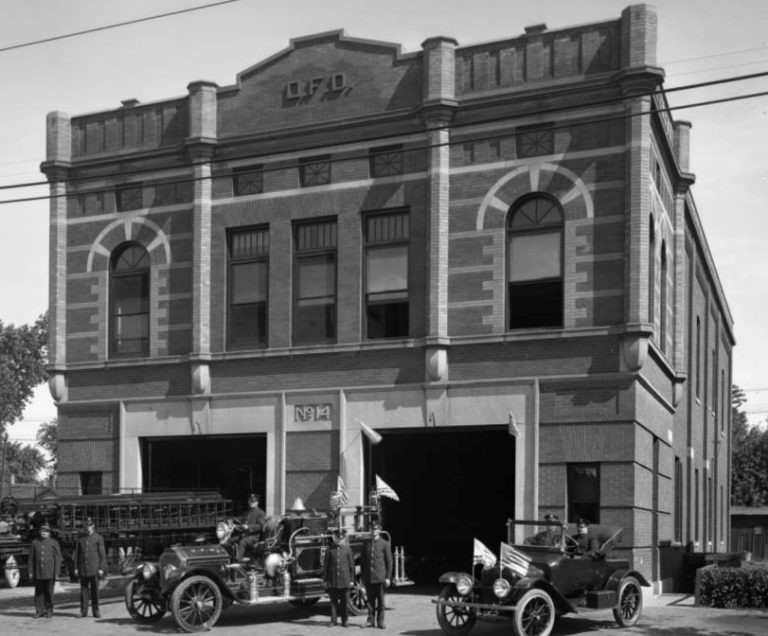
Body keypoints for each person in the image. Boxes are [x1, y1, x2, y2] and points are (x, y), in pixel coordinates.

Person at [361, 521, 393, 630]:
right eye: (372, 529)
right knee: (370, 601)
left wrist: (388, 577)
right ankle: (370, 621)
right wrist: (362, 578)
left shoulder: (384, 544)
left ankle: (380, 621)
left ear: (379, 530)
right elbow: (363, 562)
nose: (374, 530)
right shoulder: (366, 544)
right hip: (369, 577)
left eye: (375, 528)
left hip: (380, 577)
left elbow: (389, 562)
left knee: (380, 602)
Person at [73, 516, 107, 618]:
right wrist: (76, 568)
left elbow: (102, 555)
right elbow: (77, 555)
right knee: (83, 591)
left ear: (93, 526)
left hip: (94, 569)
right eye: (87, 525)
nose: (88, 527)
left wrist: (101, 568)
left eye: (90, 525)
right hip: (83, 569)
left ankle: (96, 611)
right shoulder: (80, 539)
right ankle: (83, 611)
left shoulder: (98, 538)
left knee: (95, 591)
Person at [322, 528, 355, 627]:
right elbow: (326, 566)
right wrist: (325, 580)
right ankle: (333, 620)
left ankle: (345, 621)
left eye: (341, 539)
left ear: (343, 539)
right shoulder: (329, 550)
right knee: (333, 602)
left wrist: (352, 580)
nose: (339, 540)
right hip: (333, 580)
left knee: (345, 602)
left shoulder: (348, 550)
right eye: (337, 538)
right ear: (334, 538)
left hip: (345, 580)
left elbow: (351, 566)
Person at [30, 523, 62, 619]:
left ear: (49, 533)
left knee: (49, 592)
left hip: (50, 572)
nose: (44, 533)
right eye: (42, 531)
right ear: (40, 532)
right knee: (39, 593)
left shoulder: (54, 543)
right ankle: (39, 610)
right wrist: (31, 571)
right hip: (38, 572)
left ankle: (49, 610)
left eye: (46, 531)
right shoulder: (35, 542)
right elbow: (31, 558)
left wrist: (56, 572)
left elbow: (58, 558)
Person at [237, 493, 266, 560]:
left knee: (242, 542)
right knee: (231, 540)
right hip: (246, 534)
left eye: (253, 502)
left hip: (255, 537)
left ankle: (237, 560)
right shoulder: (247, 512)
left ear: (257, 503)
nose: (251, 503)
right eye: (250, 501)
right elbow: (242, 522)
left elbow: (260, 526)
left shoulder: (260, 513)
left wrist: (248, 527)